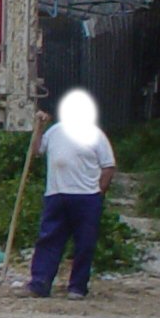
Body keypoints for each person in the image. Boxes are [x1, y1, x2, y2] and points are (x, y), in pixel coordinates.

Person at [15, 89, 116, 300]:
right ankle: (40, 284)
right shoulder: (54, 132)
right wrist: (39, 128)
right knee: (49, 240)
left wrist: (99, 193)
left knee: (85, 243)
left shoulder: (95, 135)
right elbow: (36, 151)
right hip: (56, 194)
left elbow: (108, 167)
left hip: (86, 197)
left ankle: (77, 287)